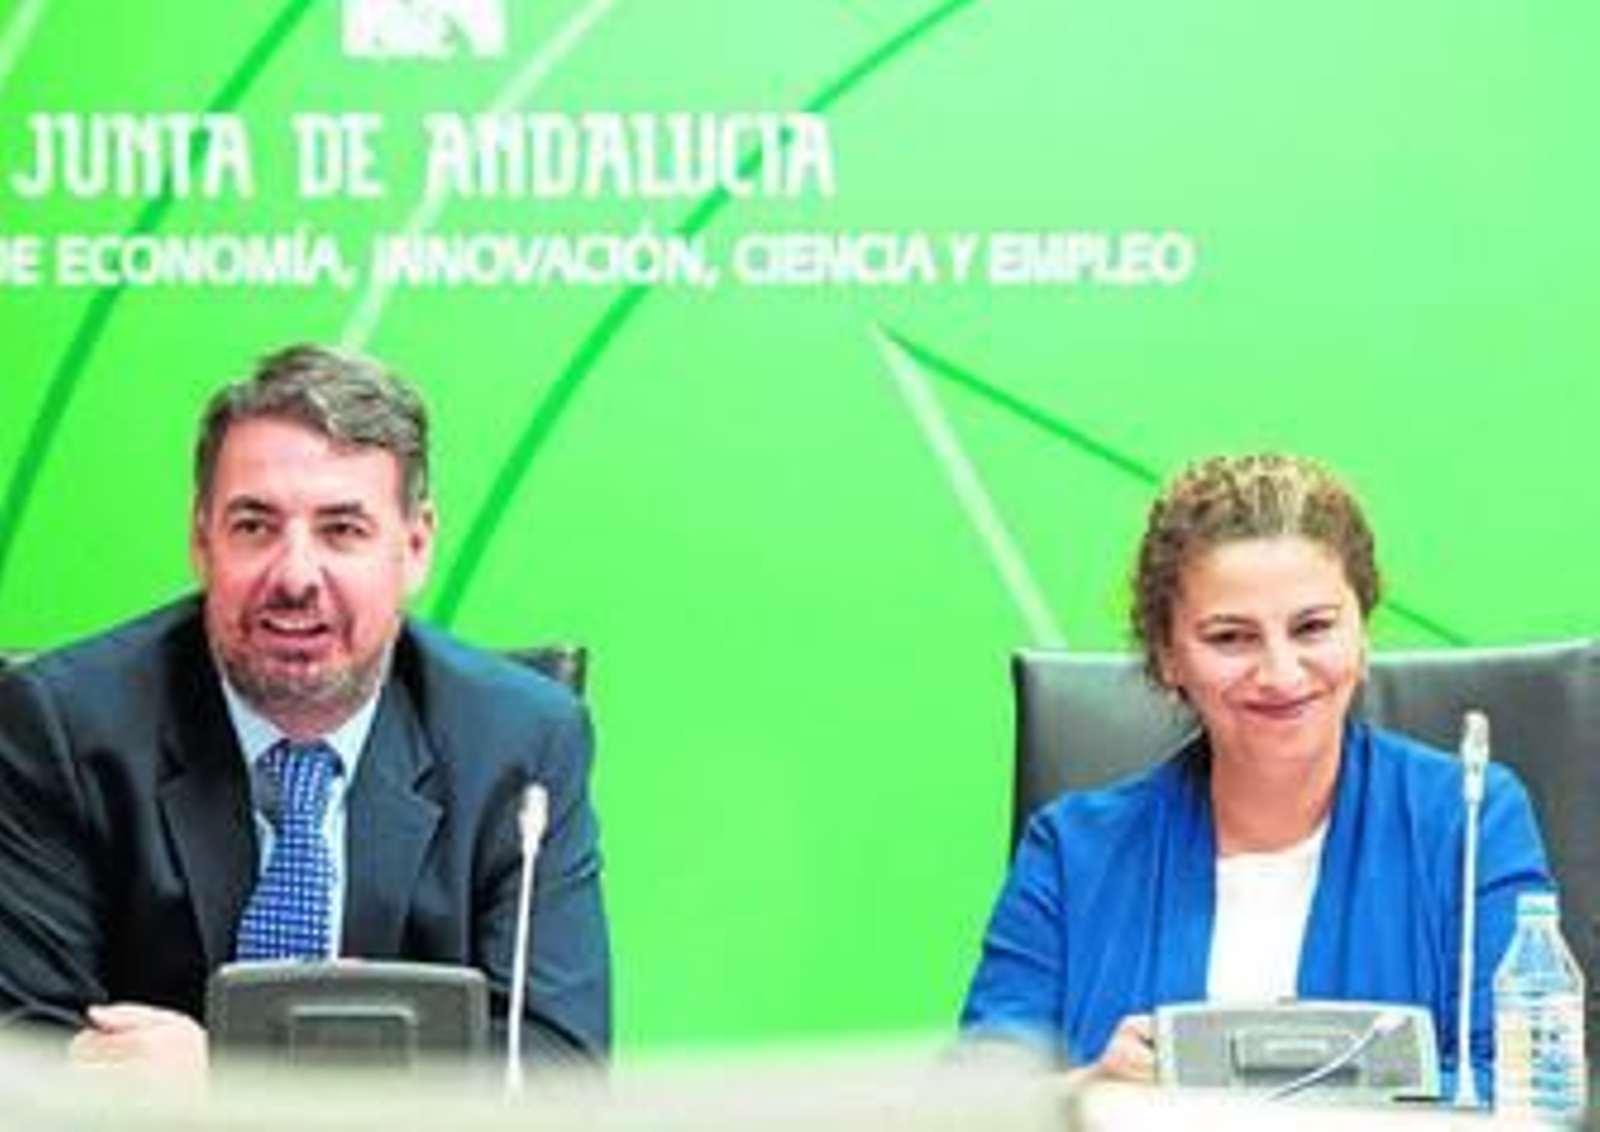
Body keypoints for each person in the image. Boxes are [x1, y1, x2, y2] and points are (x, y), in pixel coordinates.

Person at [0, 344, 609, 1073]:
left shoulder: (522, 743)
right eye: (255, 526)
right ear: (202, 540)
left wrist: (235, 1078)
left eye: (342, 530)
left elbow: (553, 1068)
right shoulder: (63, 727)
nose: (294, 576)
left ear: (414, 547)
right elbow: (23, 1054)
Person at [960, 453, 1552, 1095]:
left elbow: (1531, 1093)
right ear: (1166, 657)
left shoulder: (1470, 818)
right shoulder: (1073, 853)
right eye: (1231, 637)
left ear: (1362, 632)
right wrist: (1091, 1089)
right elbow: (972, 1108)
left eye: (1314, 627)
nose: (1281, 673)